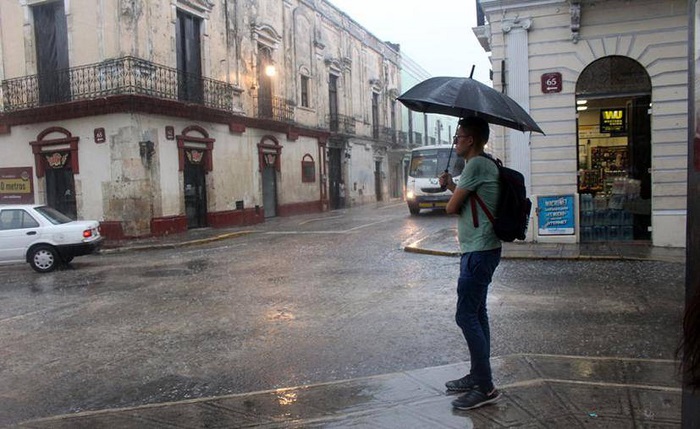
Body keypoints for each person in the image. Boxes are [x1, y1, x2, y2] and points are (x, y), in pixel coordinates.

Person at [439, 116, 502, 410]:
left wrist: (452, 191)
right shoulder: (481, 165)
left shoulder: (476, 165)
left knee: (466, 316)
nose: (456, 141)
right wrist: (453, 184)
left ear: (472, 140)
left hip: (478, 252)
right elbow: (470, 203)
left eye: (459, 136)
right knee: (478, 313)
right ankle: (478, 375)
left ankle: (486, 387)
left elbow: (453, 208)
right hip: (481, 249)